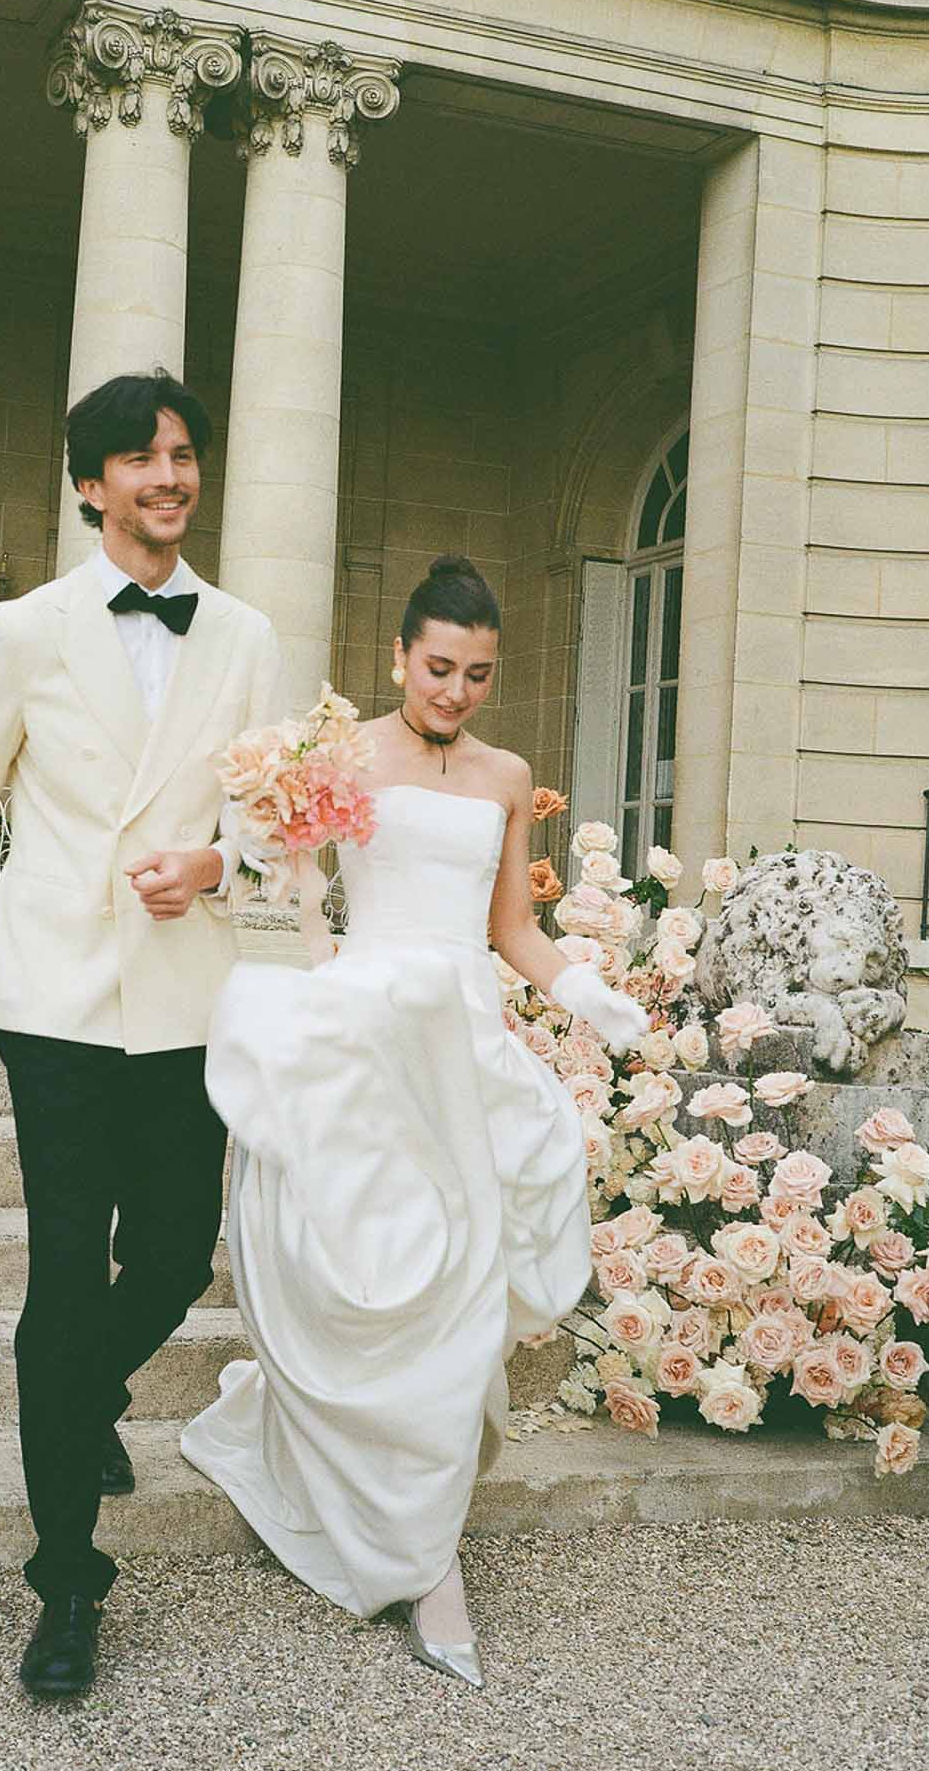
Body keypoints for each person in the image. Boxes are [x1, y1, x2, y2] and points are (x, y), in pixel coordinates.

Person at [181, 554, 647, 1689]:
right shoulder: (342, 757)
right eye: (439, 667)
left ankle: (429, 1544)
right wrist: (309, 948)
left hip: (465, 1037)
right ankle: (379, 1511)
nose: (456, 691)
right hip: (369, 1022)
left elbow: (512, 928)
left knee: (463, 1293)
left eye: (478, 673)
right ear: (398, 655)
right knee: (373, 1272)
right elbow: (284, 882)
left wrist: (581, 988)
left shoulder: (504, 773)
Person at [0, 370, 282, 1700]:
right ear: (90, 484)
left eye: (184, 455)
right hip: (59, 1000)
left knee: (176, 1254)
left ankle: (81, 1402)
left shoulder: (245, 634)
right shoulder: (23, 629)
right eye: (140, 458)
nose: (168, 476)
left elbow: (276, 817)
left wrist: (218, 865)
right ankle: (68, 1580)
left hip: (185, 1000)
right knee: (66, 1276)